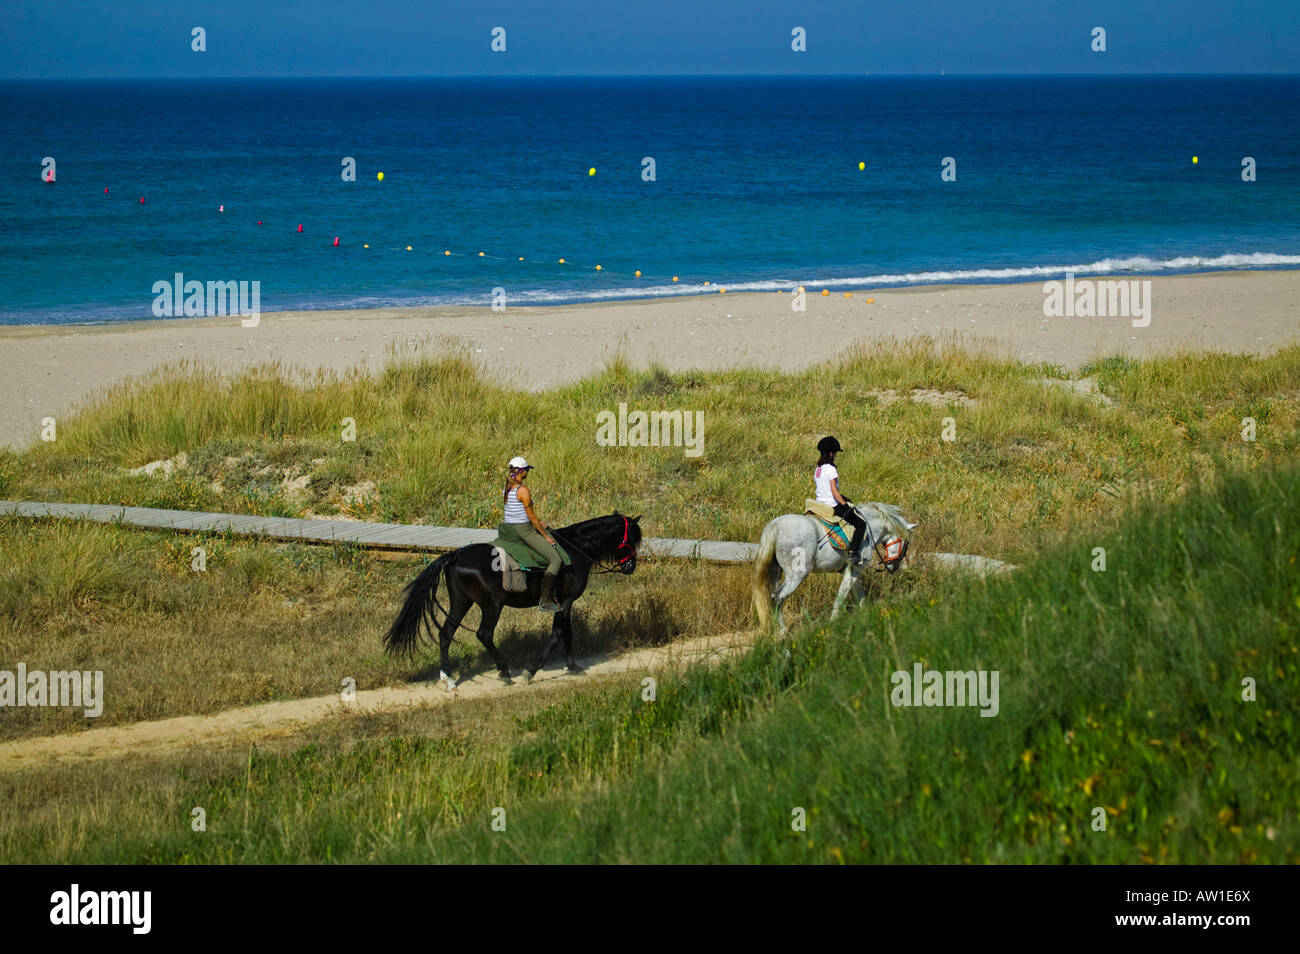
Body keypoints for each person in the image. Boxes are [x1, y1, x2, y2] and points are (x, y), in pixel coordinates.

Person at [503, 455, 563, 611]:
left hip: (509, 528)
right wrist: (546, 536)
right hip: (524, 530)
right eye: (526, 471)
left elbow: (515, 512)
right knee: (556, 559)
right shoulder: (523, 490)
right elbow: (532, 517)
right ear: (522, 471)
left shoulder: (508, 486)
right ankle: (546, 600)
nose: (527, 474)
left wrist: (536, 522)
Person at [813, 436, 867, 564]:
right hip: (832, 506)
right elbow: (833, 491)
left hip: (819, 504)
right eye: (835, 453)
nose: (836, 456)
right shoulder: (831, 469)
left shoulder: (818, 469)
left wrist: (844, 497)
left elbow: (824, 488)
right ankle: (853, 553)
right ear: (830, 453)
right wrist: (845, 505)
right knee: (861, 524)